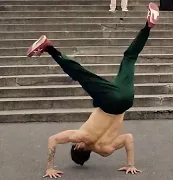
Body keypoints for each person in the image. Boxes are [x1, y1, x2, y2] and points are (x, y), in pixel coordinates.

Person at [26, 3, 159, 178]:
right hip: (110, 100)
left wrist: (130, 164)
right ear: (78, 146)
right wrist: (49, 167)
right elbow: (53, 140)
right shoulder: (82, 136)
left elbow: (128, 138)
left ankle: (148, 27)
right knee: (82, 75)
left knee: (129, 59)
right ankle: (49, 47)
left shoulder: (106, 149)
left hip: (126, 100)